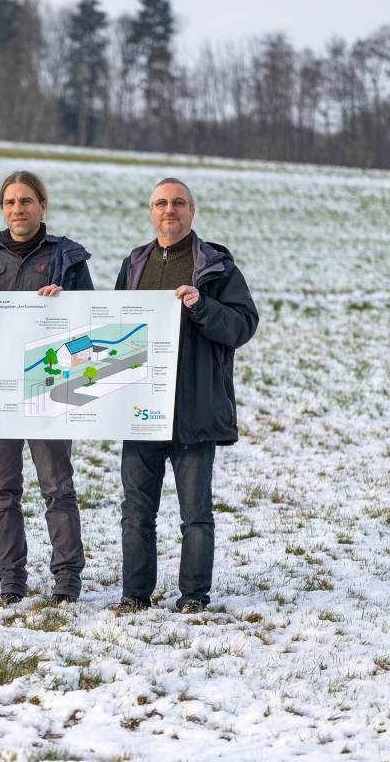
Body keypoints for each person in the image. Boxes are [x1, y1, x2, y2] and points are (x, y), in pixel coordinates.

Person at [113, 177, 259, 615]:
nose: (169, 210)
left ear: (192, 211)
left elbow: (242, 326)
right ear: (151, 211)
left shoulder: (217, 267)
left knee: (195, 513)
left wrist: (202, 306)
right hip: (141, 408)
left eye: (178, 203)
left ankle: (193, 595)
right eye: (161, 203)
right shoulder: (134, 263)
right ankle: (134, 595)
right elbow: (114, 329)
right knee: (136, 511)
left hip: (194, 408)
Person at [0, 171, 94, 605]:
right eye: (11, 202)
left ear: (42, 206)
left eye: (27, 201)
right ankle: (11, 579)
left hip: (50, 390)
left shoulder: (68, 258)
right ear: (2, 208)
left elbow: (89, 329)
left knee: (57, 488)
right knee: (2, 491)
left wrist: (66, 301)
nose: (19, 209)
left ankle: (67, 579)